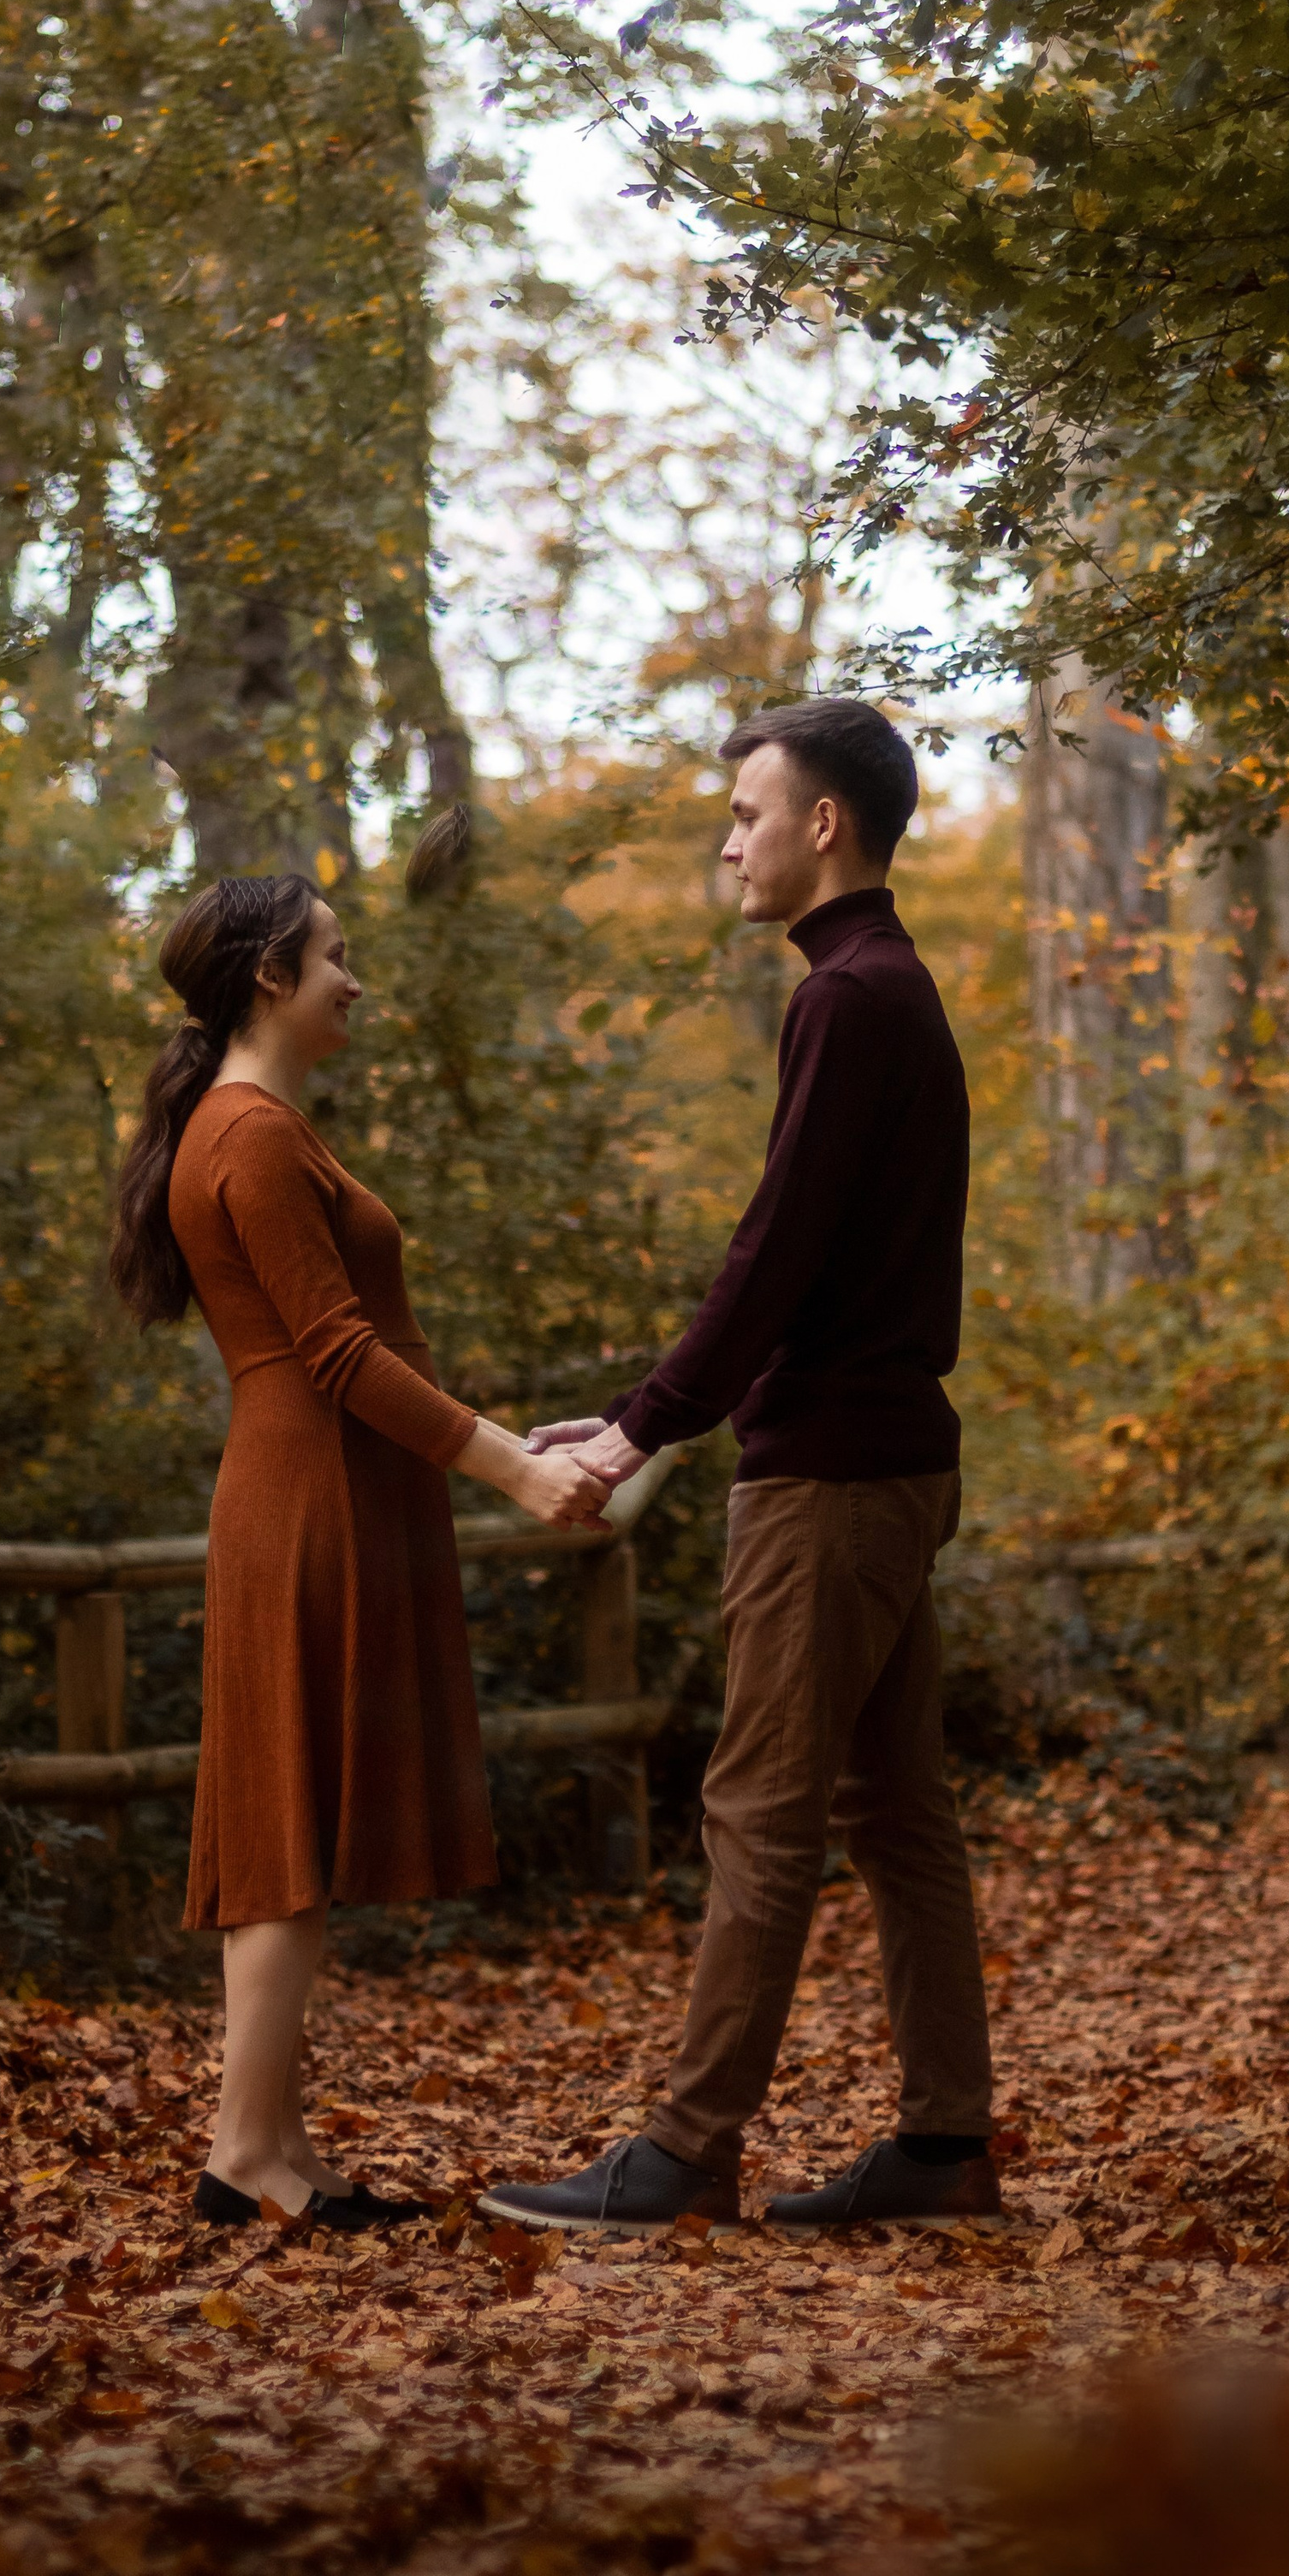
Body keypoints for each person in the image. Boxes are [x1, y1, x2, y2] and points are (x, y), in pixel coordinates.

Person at [484, 697, 1000, 2236]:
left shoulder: (851, 999)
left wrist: (649, 1423)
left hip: (835, 1478)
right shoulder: (886, 991)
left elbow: (775, 1253)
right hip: (890, 1462)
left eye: (747, 815)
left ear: (823, 825)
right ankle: (942, 2150)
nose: (728, 843)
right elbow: (806, 1253)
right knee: (895, 1815)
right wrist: (650, 1407)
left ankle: (687, 2151)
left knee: (761, 1811)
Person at [110, 863, 610, 2233]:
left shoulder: (260, 1124)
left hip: (326, 1489)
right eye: (335, 955)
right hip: (307, 1495)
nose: (354, 978)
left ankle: (260, 2147)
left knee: (299, 1820)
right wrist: (508, 1463)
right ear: (270, 975)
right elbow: (335, 1351)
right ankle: (243, 2152)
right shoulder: (252, 1134)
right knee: (286, 1823)